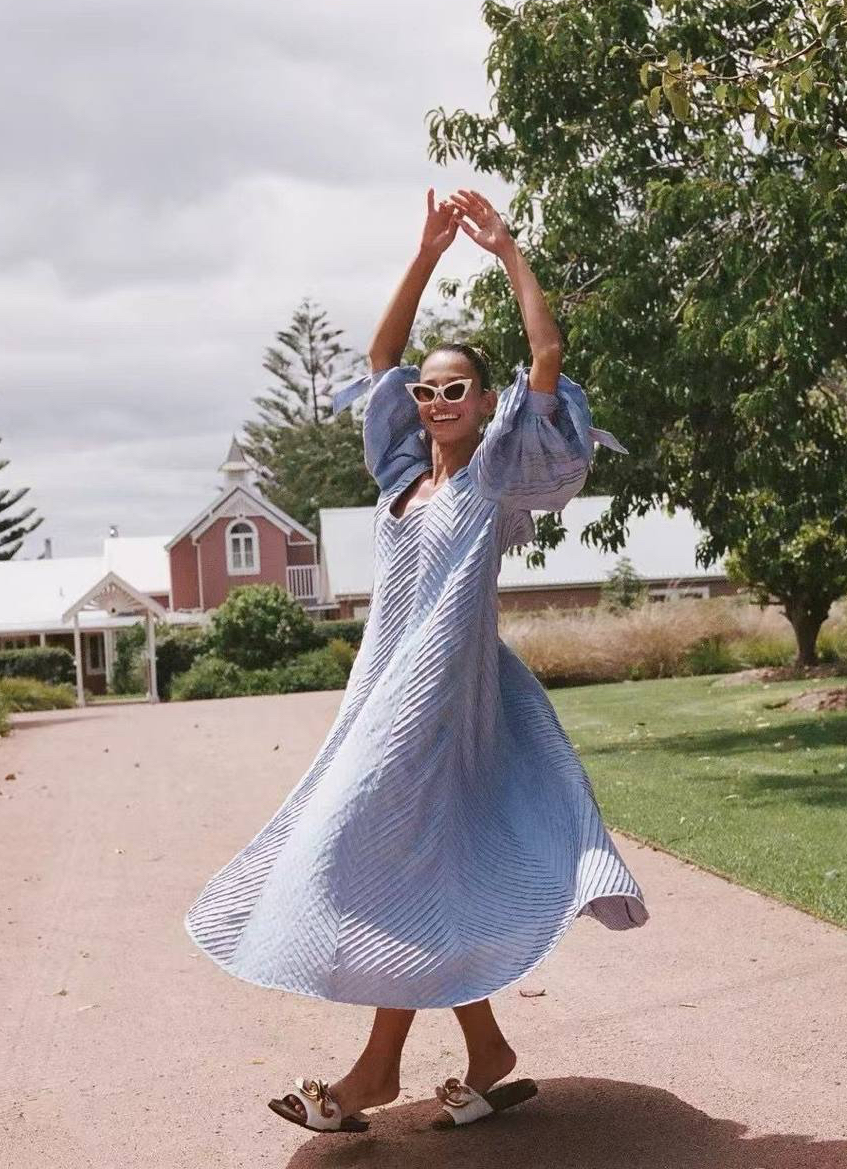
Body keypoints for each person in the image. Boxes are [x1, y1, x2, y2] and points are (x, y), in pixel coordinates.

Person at [183, 186, 649, 1134]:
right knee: (421, 868)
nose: (435, 401)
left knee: (379, 850)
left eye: (455, 390)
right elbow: (379, 360)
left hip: (444, 699)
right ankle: (482, 1049)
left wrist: (506, 249)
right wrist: (427, 254)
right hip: (385, 691)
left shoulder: (493, 475)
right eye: (428, 392)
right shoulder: (401, 476)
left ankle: (372, 1075)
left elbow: (547, 358)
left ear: (485, 404)